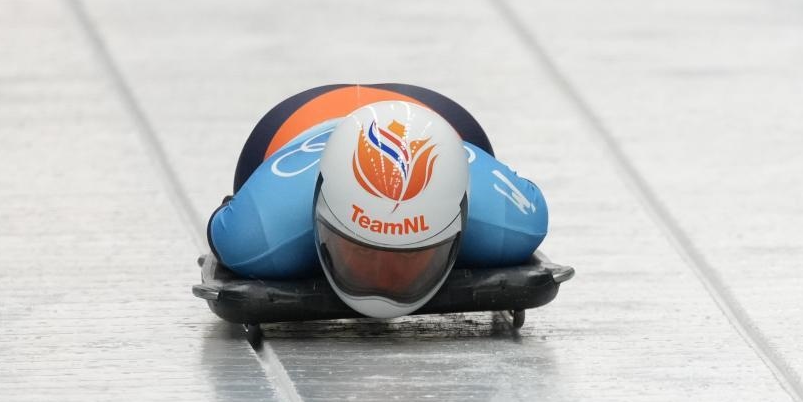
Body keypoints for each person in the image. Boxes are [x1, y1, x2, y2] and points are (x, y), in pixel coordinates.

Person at [207, 84, 548, 319]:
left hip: (437, 122)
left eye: (409, 258)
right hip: (297, 123)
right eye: (362, 254)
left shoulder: (509, 222)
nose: (384, 280)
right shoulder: (258, 231)